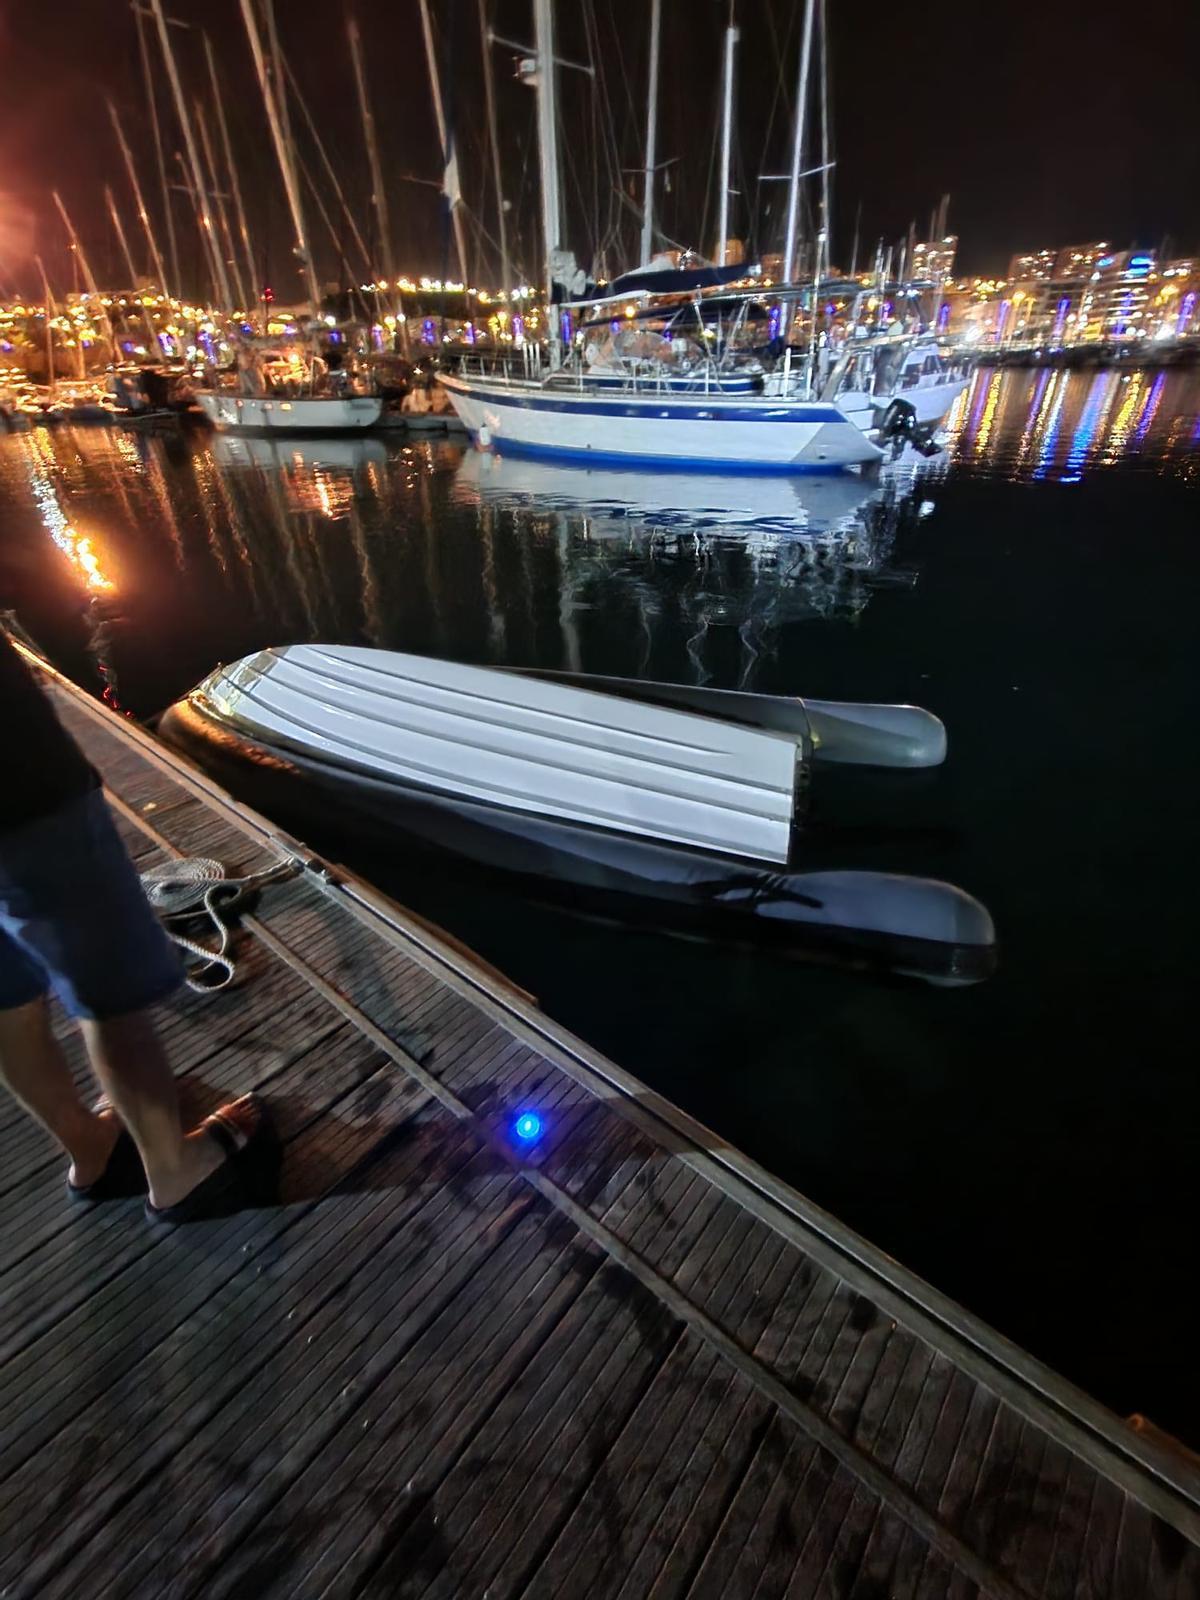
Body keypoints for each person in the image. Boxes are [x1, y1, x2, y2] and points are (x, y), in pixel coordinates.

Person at [0, 634, 267, 1226]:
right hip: (16, 785)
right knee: (105, 980)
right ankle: (176, 1168)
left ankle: (87, 1146)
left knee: (6, 991)